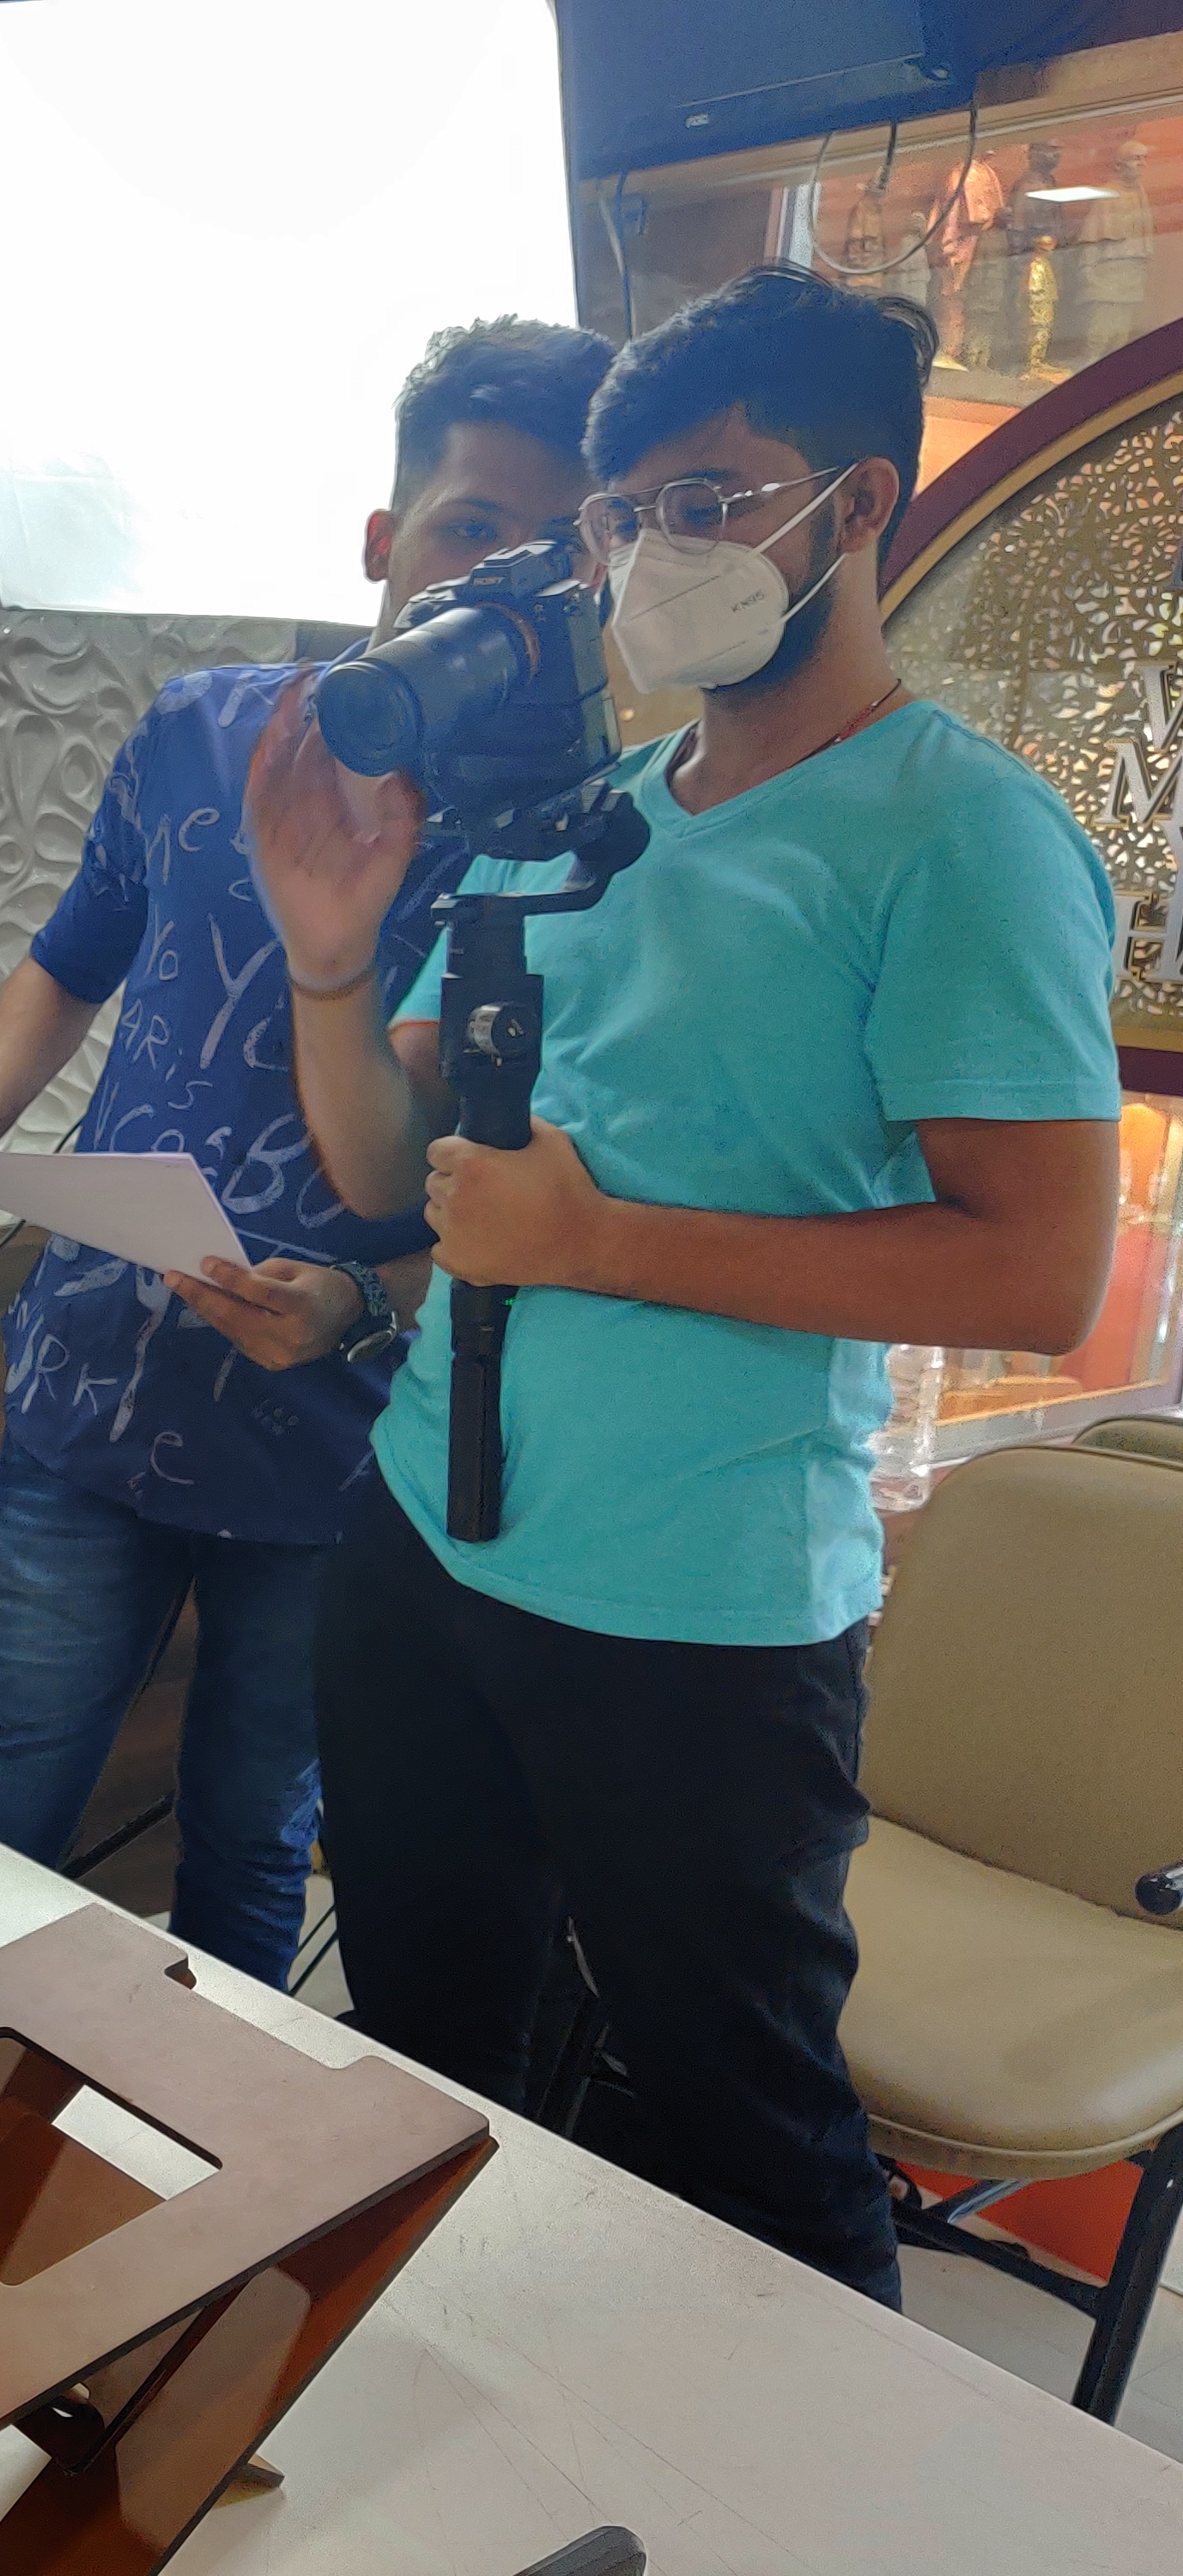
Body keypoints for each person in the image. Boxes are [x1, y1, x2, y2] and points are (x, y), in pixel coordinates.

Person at [246, 264, 1122, 2305]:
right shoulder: (589, 819)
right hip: (425, 1548)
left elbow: (1036, 1265)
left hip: (699, 1615)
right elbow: (388, 1179)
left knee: (744, 2134)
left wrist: (598, 1243)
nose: (657, 552)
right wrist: (326, 956)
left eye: (710, 501)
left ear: (855, 503)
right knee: (418, 2060)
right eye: (626, 512)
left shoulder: (959, 835)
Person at [0, 318, 610, 1989]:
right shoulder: (196, 730)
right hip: (93, 1379)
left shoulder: (566, 839)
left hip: (342, 1442)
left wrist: (357, 1302)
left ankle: (204, 2145)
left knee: (248, 1851)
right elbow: (70, 952)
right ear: (378, 541)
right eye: (469, 530)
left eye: (558, 553)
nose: (509, 584)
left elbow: (529, 1187)